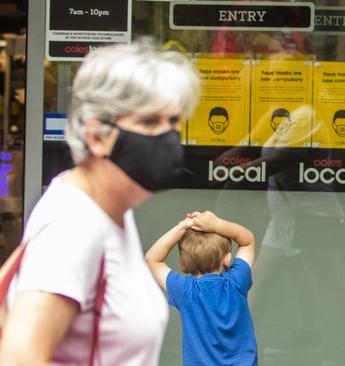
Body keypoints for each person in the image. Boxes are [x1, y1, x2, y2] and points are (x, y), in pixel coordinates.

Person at [0, 40, 200, 365]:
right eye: (149, 122)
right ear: (96, 136)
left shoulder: (111, 209)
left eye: (173, 121)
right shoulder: (76, 226)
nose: (168, 136)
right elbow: (20, 356)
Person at [144, 210, 257, 366]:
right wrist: (217, 224)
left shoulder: (184, 290)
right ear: (227, 259)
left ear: (183, 264)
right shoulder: (237, 282)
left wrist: (182, 227)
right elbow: (247, 241)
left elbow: (152, 259)